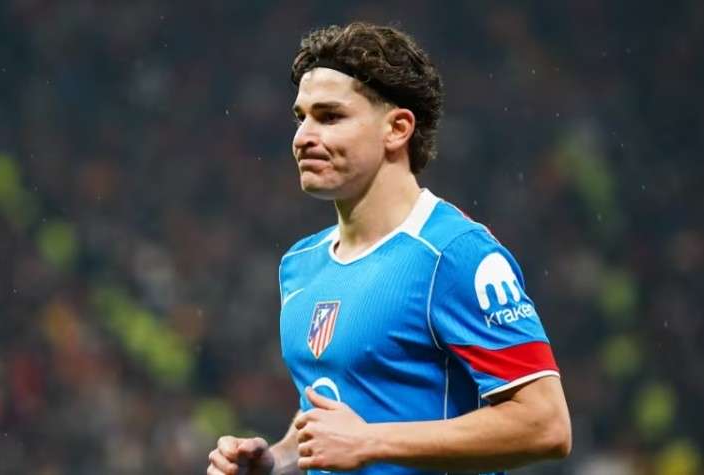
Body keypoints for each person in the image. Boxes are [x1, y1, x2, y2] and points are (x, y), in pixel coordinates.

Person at [208, 22, 571, 475]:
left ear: (397, 129)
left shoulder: (454, 255)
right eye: (301, 118)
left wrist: (371, 442)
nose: (302, 137)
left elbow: (546, 425)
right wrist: (276, 461)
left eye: (329, 117)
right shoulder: (300, 265)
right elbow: (337, 409)